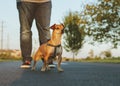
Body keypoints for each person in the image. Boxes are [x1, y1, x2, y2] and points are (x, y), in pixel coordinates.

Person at [16, 0, 53, 68]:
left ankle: (47, 58)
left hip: (45, 2)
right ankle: (26, 59)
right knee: (25, 30)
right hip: (25, 1)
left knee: (45, 31)